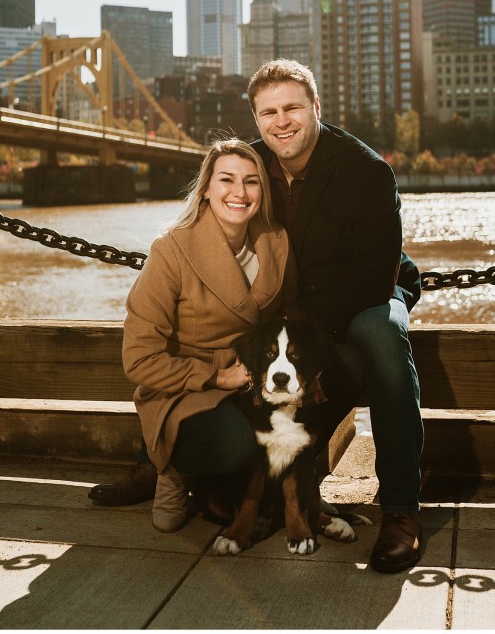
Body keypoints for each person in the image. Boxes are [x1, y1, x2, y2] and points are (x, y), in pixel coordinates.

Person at [92, 61, 423, 573]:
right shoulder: (252, 164)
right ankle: (162, 461)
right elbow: (202, 240)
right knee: (225, 360)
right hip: (286, 310)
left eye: (292, 108)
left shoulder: (367, 171)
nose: (281, 121)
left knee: (379, 337)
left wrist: (303, 330)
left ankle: (401, 510)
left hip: (361, 293)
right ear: (256, 118)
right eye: (268, 112)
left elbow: (372, 277)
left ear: (316, 107)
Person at [119, 137, 364, 533]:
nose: (239, 192)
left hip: (254, 377)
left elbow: (286, 315)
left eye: (251, 181)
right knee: (236, 443)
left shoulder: (275, 242)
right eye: (226, 180)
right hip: (187, 389)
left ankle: (299, 482)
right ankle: (174, 471)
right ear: (206, 189)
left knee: (348, 365)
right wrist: (217, 376)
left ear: (262, 191)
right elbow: (139, 359)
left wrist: (306, 367)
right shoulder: (171, 250)